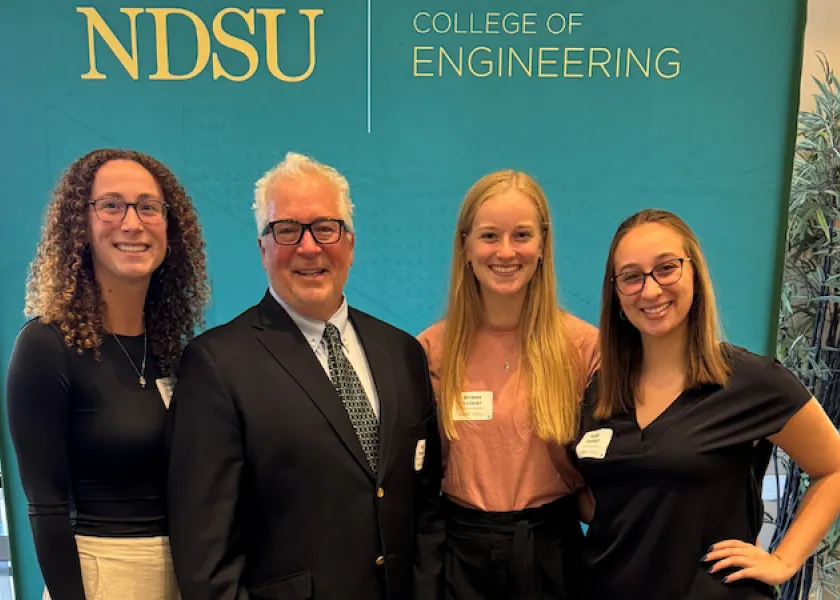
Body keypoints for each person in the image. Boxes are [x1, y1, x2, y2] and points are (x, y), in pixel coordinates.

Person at [166, 151, 445, 600]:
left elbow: (426, 505)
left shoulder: (402, 353)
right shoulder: (216, 364)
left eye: (325, 228)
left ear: (350, 243)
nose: (309, 247)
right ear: (263, 248)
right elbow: (205, 554)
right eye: (287, 230)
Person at [575, 208, 840, 600]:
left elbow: (833, 468)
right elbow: (609, 502)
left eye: (666, 268)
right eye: (631, 277)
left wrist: (784, 560)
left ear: (695, 274)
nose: (650, 290)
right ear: (615, 293)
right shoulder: (601, 391)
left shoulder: (749, 380)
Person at [5, 148, 210, 600]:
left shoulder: (171, 348)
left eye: (148, 207)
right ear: (80, 226)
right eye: (112, 205)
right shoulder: (46, 345)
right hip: (101, 576)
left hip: (184, 573)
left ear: (170, 228)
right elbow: (46, 507)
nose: (132, 223)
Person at [417, 169, 598, 600]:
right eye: (489, 236)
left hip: (553, 557)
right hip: (459, 561)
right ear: (465, 246)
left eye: (521, 235)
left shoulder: (585, 348)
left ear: (542, 245)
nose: (505, 251)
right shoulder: (430, 352)